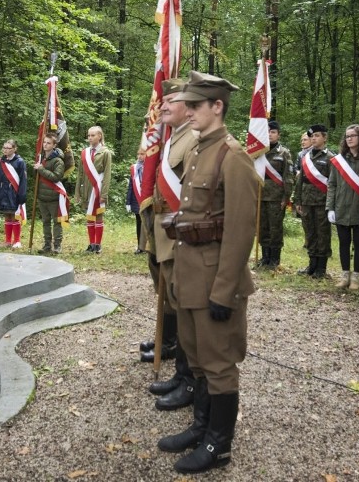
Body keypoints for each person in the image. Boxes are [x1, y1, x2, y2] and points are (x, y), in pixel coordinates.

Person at [157, 71, 259, 474]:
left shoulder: (233, 156)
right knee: (197, 359)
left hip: (216, 279)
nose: (190, 112)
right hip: (191, 274)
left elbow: (239, 231)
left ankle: (220, 443)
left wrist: (225, 290)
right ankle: (201, 425)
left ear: (217, 107)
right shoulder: (201, 150)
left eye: (197, 106)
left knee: (218, 364)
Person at [143, 77, 198, 411]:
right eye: (163, 101)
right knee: (174, 297)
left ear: (189, 106)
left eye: (170, 100)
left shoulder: (192, 140)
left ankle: (189, 377)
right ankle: (181, 370)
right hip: (165, 228)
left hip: (180, 231)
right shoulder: (172, 138)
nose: (162, 106)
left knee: (187, 304)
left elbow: (193, 194)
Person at [326, 124, 359, 290]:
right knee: (343, 243)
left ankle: (356, 277)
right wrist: (330, 207)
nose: (349, 139)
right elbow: (332, 184)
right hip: (341, 207)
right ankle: (345, 274)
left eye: (353, 136)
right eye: (347, 136)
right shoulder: (339, 160)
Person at [293, 124, 335, 278]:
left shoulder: (331, 157)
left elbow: (333, 183)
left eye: (317, 135)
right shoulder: (306, 157)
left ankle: (321, 268)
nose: (314, 138)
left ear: (325, 138)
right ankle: (311, 265)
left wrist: (331, 205)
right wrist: (297, 200)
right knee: (310, 232)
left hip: (322, 202)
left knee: (322, 234)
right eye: (312, 136)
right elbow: (300, 182)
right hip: (306, 201)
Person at [256, 120, 293, 269]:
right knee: (262, 228)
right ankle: (265, 258)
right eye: (267, 132)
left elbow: (288, 177)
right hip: (260, 196)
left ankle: (274, 259)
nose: (269, 135)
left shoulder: (284, 153)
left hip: (276, 198)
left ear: (278, 135)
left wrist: (286, 197)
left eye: (273, 132)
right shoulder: (258, 152)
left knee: (275, 228)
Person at [75, 125, 113, 253]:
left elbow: (107, 174)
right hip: (87, 188)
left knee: (98, 216)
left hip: (98, 188)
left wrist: (104, 193)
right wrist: (77, 192)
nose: (90, 138)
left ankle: (98, 244)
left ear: (99, 136)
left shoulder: (105, 152)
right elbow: (80, 173)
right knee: (89, 216)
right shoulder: (85, 152)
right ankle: (91, 244)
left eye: (92, 135)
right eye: (89, 135)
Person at [33, 132, 67, 254]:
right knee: (45, 222)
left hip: (53, 196)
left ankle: (57, 245)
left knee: (56, 222)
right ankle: (47, 245)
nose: (45, 145)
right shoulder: (41, 159)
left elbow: (56, 177)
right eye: (44, 142)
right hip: (42, 197)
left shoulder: (58, 161)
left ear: (54, 145)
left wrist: (41, 169)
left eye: (48, 143)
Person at [0, 139, 27, 248]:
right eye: (4, 148)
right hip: (3, 192)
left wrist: (21, 195)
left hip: (14, 193)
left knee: (15, 216)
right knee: (7, 216)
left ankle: (17, 241)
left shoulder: (20, 162)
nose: (6, 150)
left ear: (14, 149)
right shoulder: (1, 162)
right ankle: (8, 240)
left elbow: (23, 180)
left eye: (8, 148)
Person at [126, 147, 145, 254]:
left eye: (142, 154)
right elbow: (131, 186)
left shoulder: (151, 167)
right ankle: (140, 246)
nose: (139, 156)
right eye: (138, 154)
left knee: (147, 224)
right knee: (139, 222)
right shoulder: (134, 168)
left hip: (147, 199)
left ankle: (148, 246)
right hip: (136, 199)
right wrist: (128, 201)